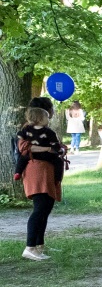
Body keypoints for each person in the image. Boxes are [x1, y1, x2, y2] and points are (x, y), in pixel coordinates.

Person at [17, 106, 63, 261]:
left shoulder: (47, 132)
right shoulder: (26, 132)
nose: (49, 118)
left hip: (47, 171)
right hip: (36, 171)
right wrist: (48, 149)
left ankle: (39, 245)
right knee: (40, 208)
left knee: (46, 208)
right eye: (46, 116)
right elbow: (25, 148)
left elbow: (55, 148)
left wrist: (57, 150)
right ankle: (30, 247)